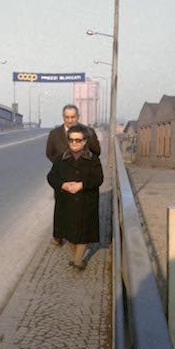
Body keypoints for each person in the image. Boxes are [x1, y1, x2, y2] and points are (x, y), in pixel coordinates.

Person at [47, 124, 104, 270]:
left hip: (86, 202)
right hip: (66, 203)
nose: (74, 143)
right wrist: (63, 185)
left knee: (83, 233)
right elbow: (51, 177)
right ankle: (74, 256)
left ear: (84, 141)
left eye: (78, 140)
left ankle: (78, 260)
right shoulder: (61, 159)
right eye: (71, 140)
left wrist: (82, 185)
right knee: (69, 233)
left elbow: (99, 179)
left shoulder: (93, 159)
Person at [45, 104, 100, 245]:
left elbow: (96, 152)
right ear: (63, 117)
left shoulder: (89, 132)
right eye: (67, 117)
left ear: (78, 117)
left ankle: (78, 237)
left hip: (81, 177)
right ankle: (59, 235)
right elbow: (49, 153)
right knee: (61, 206)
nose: (70, 120)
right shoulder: (54, 133)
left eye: (73, 117)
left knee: (80, 209)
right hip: (62, 178)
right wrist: (61, 165)